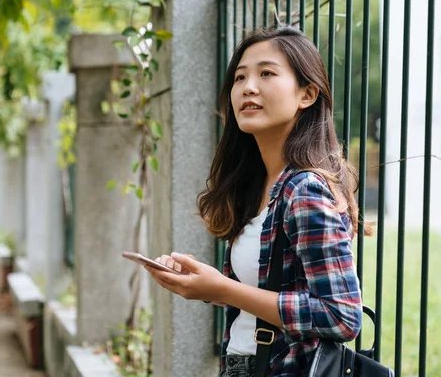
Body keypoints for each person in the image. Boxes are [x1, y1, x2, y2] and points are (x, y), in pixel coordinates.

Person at [144, 27, 363, 377]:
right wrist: (206, 286)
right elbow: (269, 293)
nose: (248, 86)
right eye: (240, 76)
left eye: (267, 73)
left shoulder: (305, 189)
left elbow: (341, 316)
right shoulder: (262, 185)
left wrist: (224, 288)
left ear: (307, 94)